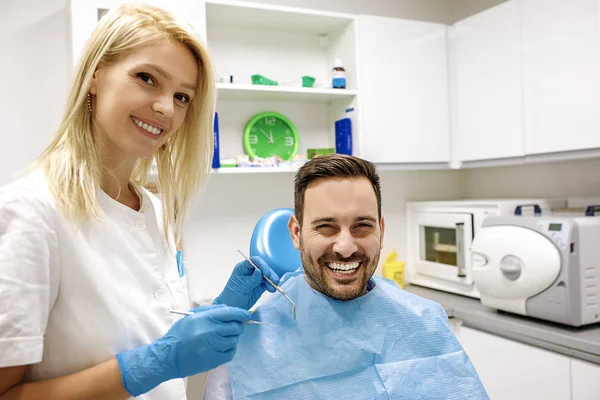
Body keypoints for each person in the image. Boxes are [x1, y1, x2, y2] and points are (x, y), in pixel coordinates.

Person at [0, 4, 279, 399]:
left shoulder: (156, 209)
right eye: (147, 78)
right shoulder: (31, 210)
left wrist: (220, 310)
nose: (166, 108)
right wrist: (152, 364)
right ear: (95, 75)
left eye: (182, 96)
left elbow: (153, 329)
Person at [203, 154, 489, 399]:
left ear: (381, 229)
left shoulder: (424, 320)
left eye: (362, 226)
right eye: (326, 227)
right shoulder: (246, 342)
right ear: (296, 233)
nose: (346, 247)